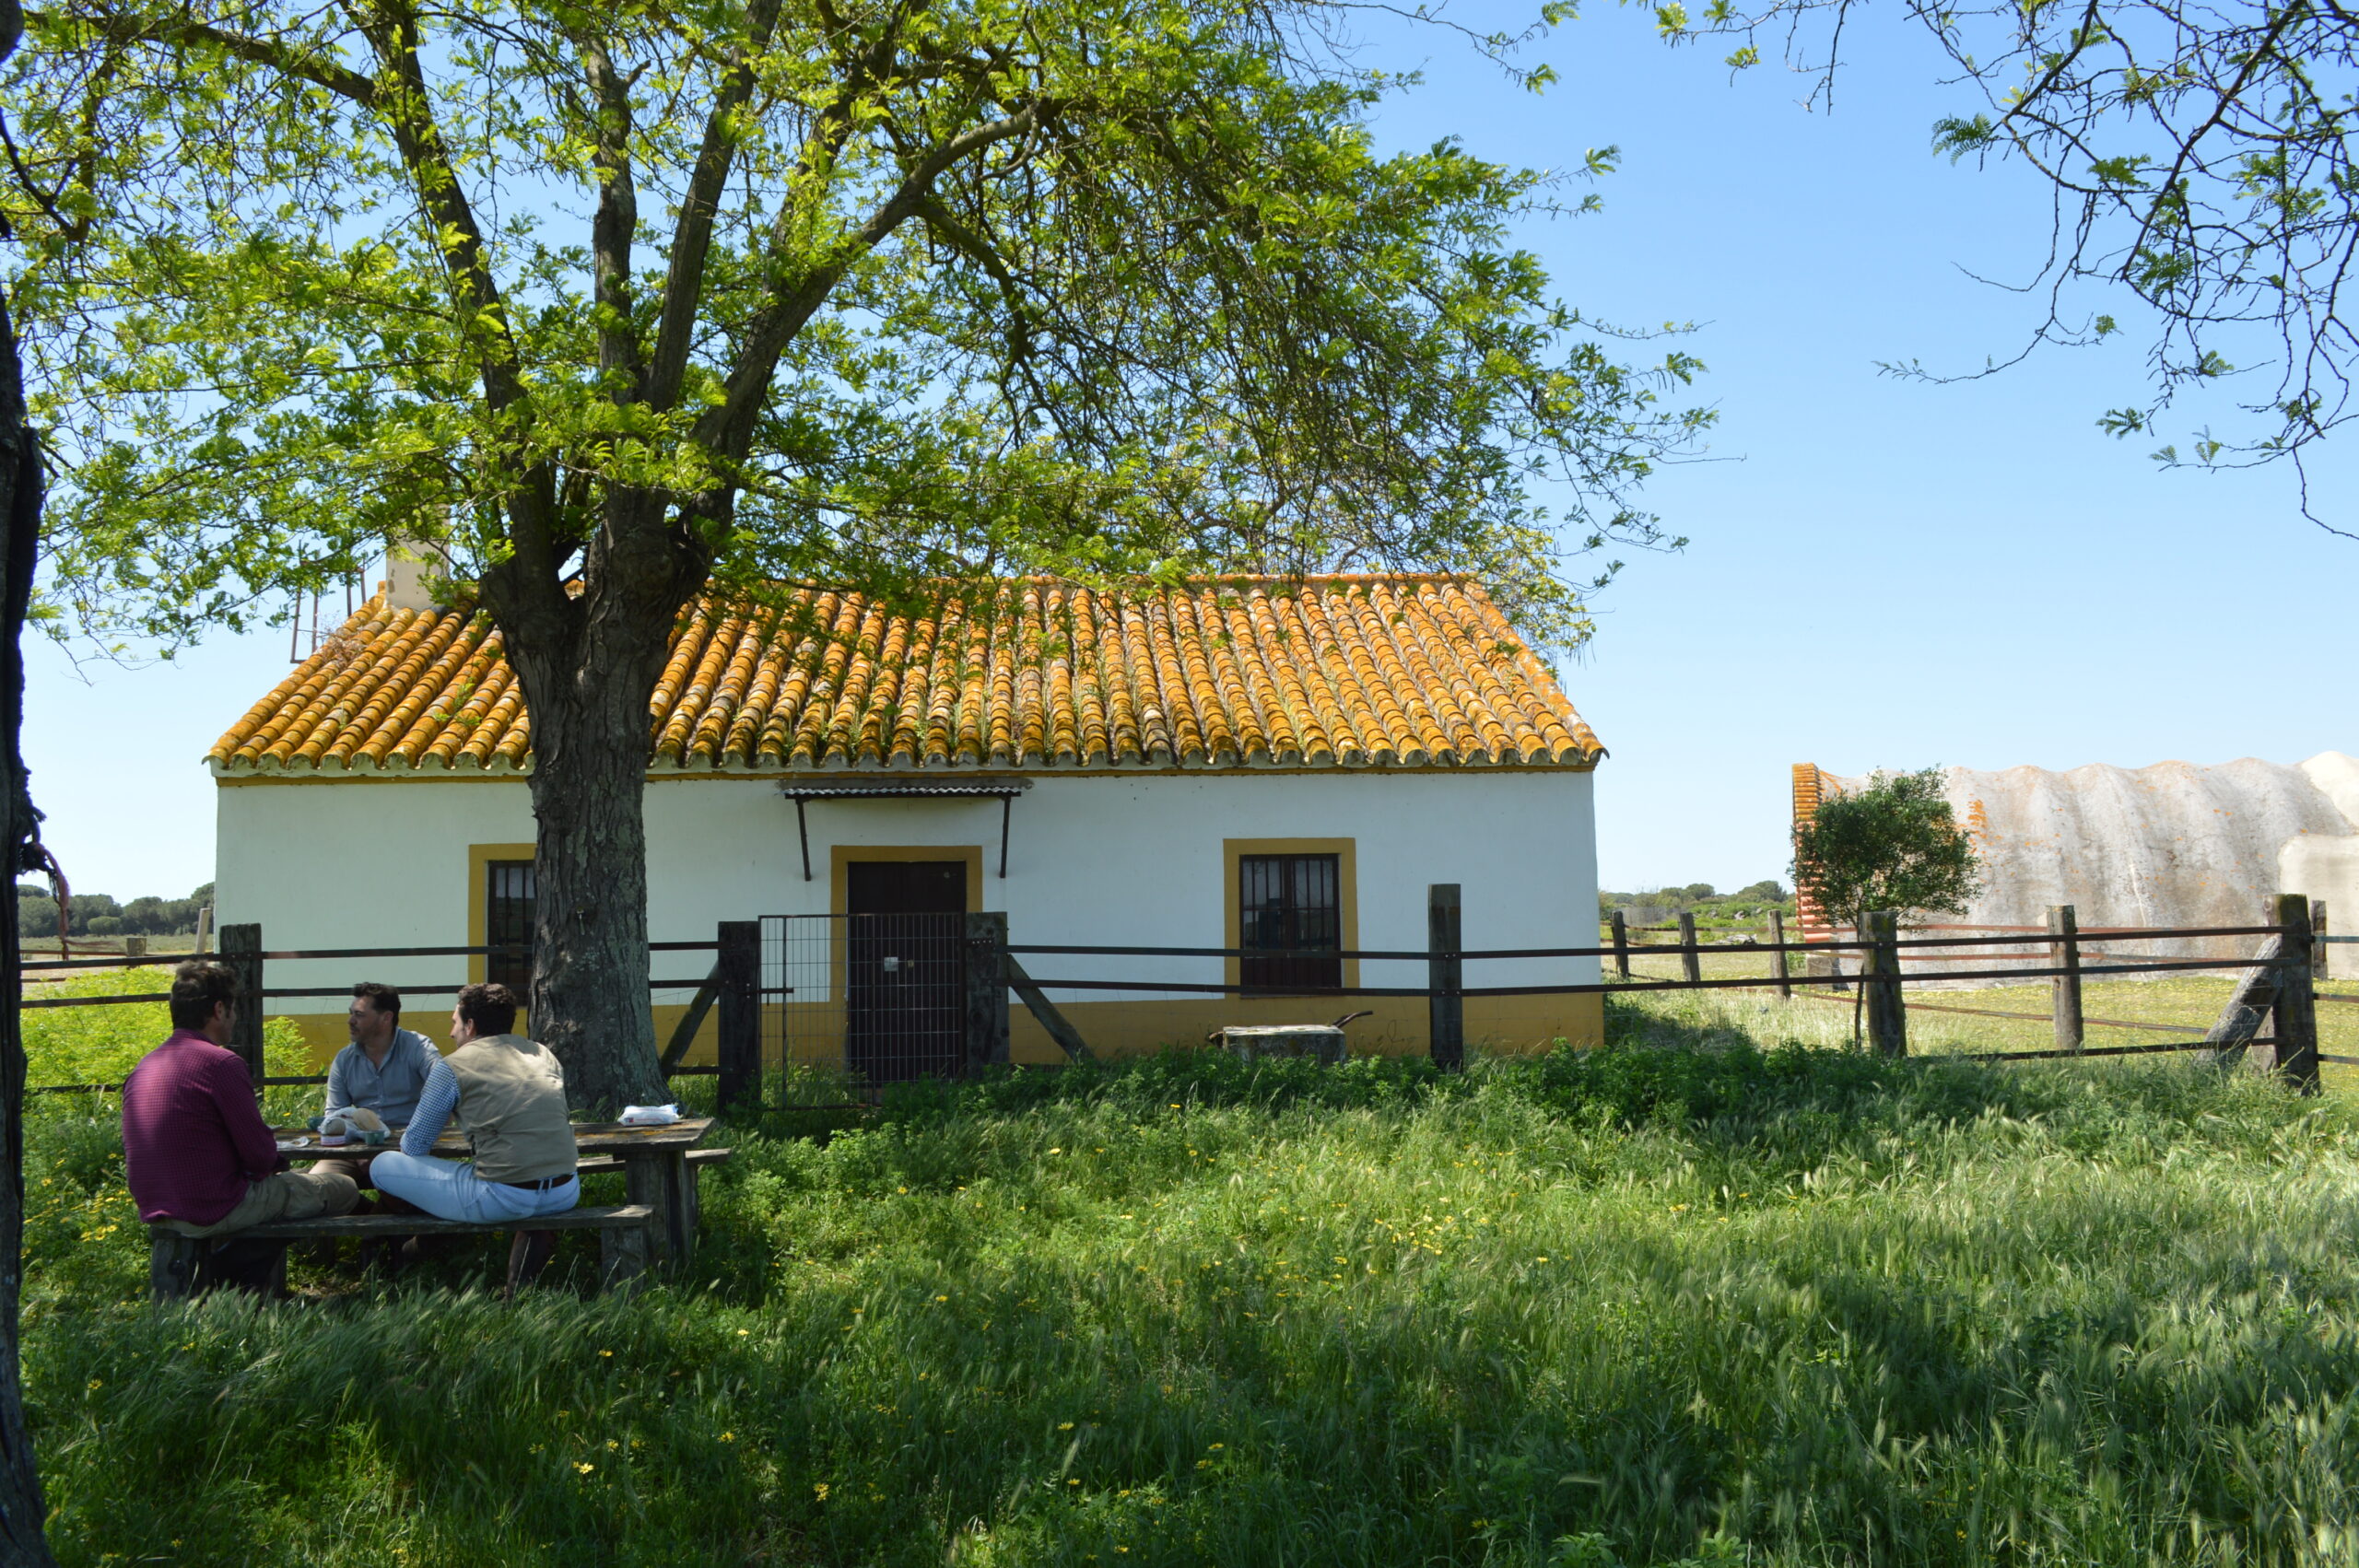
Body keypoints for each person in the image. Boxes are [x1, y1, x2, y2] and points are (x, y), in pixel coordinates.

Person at [123, 960, 359, 1293]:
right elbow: (259, 1156)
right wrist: (276, 1164)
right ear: (219, 1009)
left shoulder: (145, 1066)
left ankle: (230, 1280)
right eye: (234, 1009)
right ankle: (225, 1279)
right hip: (208, 1205)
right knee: (342, 1188)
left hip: (153, 1201)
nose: (235, 1018)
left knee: (293, 1189)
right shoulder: (221, 1063)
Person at [368, 981, 578, 1294]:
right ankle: (517, 1289)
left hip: (504, 1196)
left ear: (470, 1025)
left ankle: (412, 1248)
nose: (451, 1032)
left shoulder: (453, 1067)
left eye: (454, 1022)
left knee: (383, 1165)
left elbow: (414, 1146)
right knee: (521, 1188)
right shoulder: (542, 1054)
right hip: (565, 1189)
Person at [310, 982, 439, 1201]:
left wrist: (396, 1150)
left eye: (359, 1015)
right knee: (314, 1186)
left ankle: (379, 1231)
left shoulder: (418, 1047)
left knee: (404, 1191)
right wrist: (359, 1151)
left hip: (409, 1148)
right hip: (354, 1149)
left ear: (386, 1018)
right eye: (351, 1014)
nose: (350, 1021)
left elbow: (441, 1094)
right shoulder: (344, 1060)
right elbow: (334, 1118)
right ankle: (367, 1218)